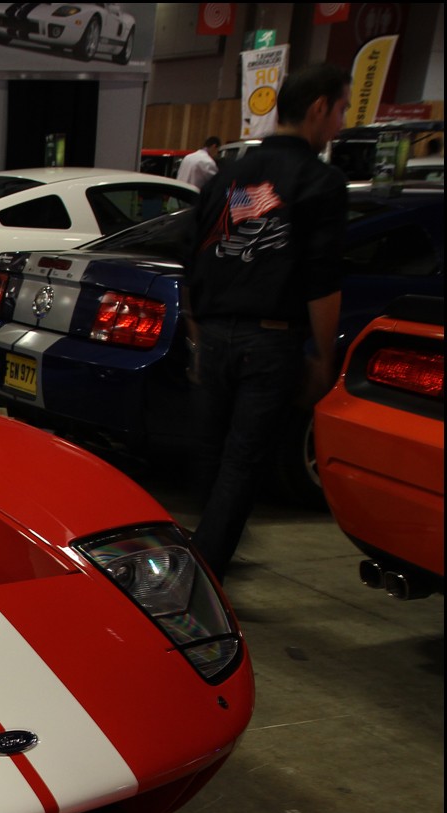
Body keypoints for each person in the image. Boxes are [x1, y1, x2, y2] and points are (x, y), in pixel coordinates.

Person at [183, 64, 350, 579]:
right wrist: (324, 358)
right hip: (270, 340)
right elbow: (321, 281)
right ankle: (202, 572)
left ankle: (199, 556)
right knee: (242, 460)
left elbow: (193, 259)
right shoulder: (320, 182)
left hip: (214, 334)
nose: (341, 124)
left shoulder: (227, 175)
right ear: (319, 107)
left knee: (212, 453)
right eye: (342, 109)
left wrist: (196, 334)